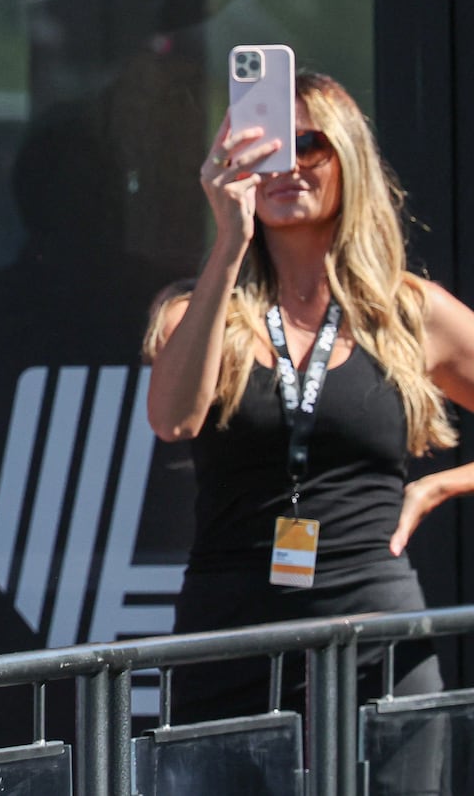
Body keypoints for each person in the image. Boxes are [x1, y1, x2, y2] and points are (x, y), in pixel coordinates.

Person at [143, 72, 474, 734]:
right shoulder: (204, 311)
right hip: (227, 640)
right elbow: (174, 421)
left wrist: (439, 488)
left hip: (376, 640)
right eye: (268, 149)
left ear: (349, 156)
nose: (289, 165)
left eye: (311, 144)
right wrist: (229, 241)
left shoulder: (409, 312)